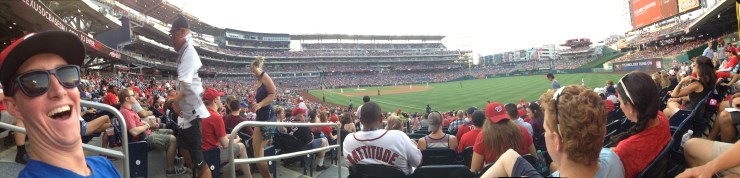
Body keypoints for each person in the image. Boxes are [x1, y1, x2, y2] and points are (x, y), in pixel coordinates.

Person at [0, 31, 120, 177]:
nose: (59, 90)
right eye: (35, 82)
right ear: (14, 107)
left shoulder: (104, 164)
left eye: (66, 73)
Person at [480, 85, 624, 177]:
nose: (545, 134)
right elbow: (509, 156)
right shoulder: (613, 158)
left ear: (556, 140)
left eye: (546, 130)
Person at [169, 14, 211, 177]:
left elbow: (186, 88)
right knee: (185, 148)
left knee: (200, 162)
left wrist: (173, 102)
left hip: (192, 112)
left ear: (182, 32)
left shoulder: (188, 52)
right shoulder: (184, 51)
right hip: (187, 113)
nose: (171, 39)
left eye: (173, 34)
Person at [608, 72, 670, 178]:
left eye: (621, 102)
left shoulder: (625, 149)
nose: (621, 106)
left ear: (630, 106)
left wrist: (617, 153)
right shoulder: (661, 117)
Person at [120, 88, 186, 176]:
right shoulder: (126, 112)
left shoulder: (129, 110)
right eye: (132, 95)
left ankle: (172, 158)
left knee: (171, 131)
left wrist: (149, 123)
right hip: (142, 139)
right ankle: (170, 170)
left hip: (145, 134)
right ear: (127, 98)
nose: (136, 96)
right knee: (172, 140)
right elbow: (133, 131)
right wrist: (148, 125)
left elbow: (138, 122)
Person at [343, 102, 422, 175]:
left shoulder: (348, 139)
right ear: (381, 118)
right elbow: (418, 162)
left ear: (360, 120)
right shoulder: (399, 137)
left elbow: (349, 165)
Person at [199, 88, 252, 178]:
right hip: (211, 154)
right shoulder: (216, 116)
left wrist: (230, 135)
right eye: (219, 98)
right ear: (215, 100)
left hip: (202, 151)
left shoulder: (202, 112)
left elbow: (215, 135)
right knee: (242, 146)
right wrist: (238, 139)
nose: (221, 101)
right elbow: (226, 145)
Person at [469, 102, 536, 172]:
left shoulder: (482, 137)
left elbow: (474, 170)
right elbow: (534, 157)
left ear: (487, 120)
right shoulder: (522, 130)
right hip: (524, 173)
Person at [249, 56, 277, 178]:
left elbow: (273, 94)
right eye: (252, 71)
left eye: (254, 71)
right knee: (257, 154)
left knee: (258, 154)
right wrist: (255, 105)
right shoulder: (258, 80)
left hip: (268, 117)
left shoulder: (264, 76)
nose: (253, 73)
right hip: (260, 117)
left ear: (257, 67)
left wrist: (259, 104)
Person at [288, 107, 330, 171]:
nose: (305, 115)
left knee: (322, 141)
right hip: (303, 148)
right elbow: (310, 141)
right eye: (303, 114)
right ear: (299, 115)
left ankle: (322, 156)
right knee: (324, 141)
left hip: (292, 147)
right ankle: (320, 165)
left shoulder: (288, 121)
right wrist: (312, 135)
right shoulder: (304, 126)